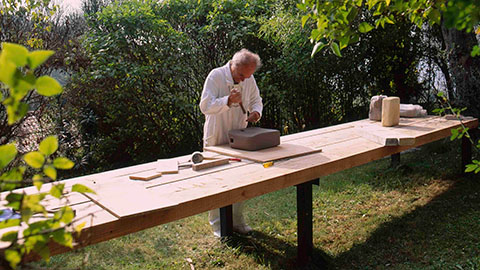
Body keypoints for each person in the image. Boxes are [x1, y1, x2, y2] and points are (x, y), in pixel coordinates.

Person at [199, 48, 263, 237]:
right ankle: (219, 226)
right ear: (233, 65)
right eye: (241, 75)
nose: (244, 80)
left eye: (248, 75)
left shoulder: (248, 78)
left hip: (239, 136)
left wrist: (256, 112)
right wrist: (227, 100)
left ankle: (237, 222)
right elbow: (205, 106)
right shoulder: (216, 76)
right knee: (217, 180)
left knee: (240, 178)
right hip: (216, 136)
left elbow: (256, 100)